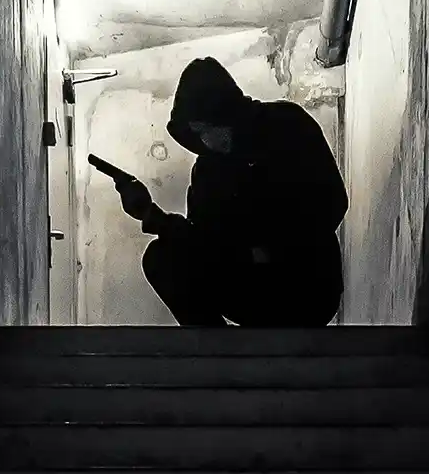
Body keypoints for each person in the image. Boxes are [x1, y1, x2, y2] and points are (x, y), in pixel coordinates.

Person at [95, 56, 348, 328]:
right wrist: (150, 214)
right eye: (197, 133)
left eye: (206, 129)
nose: (205, 139)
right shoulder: (208, 171)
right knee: (162, 258)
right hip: (250, 290)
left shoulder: (287, 125)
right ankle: (215, 353)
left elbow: (332, 202)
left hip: (307, 286)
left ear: (223, 114)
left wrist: (272, 248)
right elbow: (204, 242)